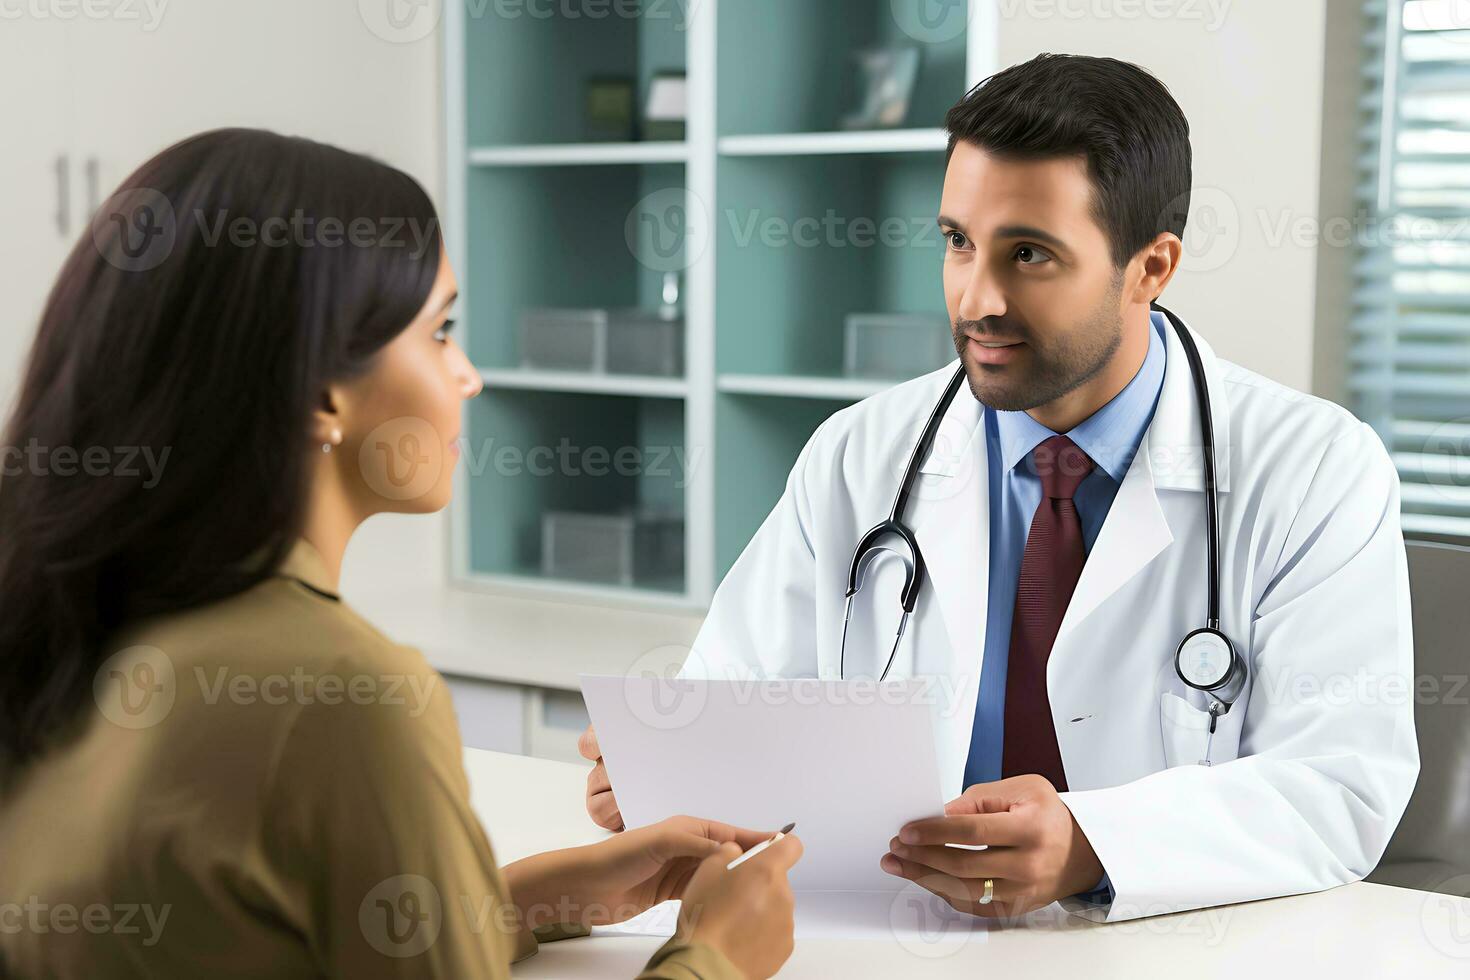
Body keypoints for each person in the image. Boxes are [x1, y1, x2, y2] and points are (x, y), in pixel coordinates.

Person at [582, 54, 1419, 922]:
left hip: (1163, 947)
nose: (977, 298)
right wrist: (671, 772)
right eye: (958, 242)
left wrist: (1091, 844)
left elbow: (1341, 786)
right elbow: (736, 692)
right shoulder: (861, 454)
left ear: (1151, 268)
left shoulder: (1314, 469)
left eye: (1029, 254)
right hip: (888, 936)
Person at [0, 128, 801, 978]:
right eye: (440, 330)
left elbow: (240, 930)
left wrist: (538, 897)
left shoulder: (78, 619)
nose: (469, 376)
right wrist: (715, 953)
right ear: (321, 393)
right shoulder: (342, 696)